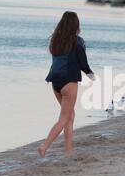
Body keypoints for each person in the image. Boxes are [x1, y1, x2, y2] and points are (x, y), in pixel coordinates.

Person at [39, 11, 94, 156]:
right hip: (69, 82)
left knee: (69, 115)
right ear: (76, 25)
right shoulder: (78, 41)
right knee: (64, 117)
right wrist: (91, 75)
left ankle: (69, 151)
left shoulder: (55, 40)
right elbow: (83, 63)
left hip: (55, 82)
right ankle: (44, 146)